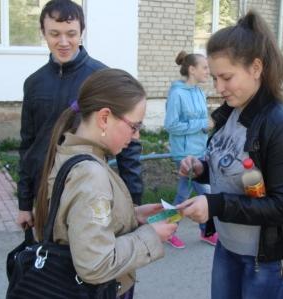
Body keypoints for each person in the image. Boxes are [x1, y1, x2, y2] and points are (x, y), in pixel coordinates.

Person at [177, 11, 283, 299]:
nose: (218, 88)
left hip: (268, 259)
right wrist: (201, 168)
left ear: (256, 68)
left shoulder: (281, 124)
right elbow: (233, 168)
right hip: (229, 247)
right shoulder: (229, 114)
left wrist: (216, 204)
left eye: (226, 77)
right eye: (214, 78)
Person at [34, 68, 178, 298]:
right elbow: (96, 263)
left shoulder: (72, 151)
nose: (137, 136)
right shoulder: (90, 173)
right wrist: (152, 235)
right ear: (104, 118)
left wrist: (133, 214)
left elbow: (78, 219)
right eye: (134, 126)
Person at [17, 0, 143, 230]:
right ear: (43, 33)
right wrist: (24, 202)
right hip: (43, 193)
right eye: (54, 34)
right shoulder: (34, 83)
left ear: (82, 32)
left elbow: (130, 146)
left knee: (87, 257)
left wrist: (133, 200)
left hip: (86, 190)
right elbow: (28, 144)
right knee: (46, 261)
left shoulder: (101, 77)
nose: (63, 42)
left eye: (71, 34)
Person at [163, 50, 217, 249]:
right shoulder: (177, 93)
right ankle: (203, 231)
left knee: (185, 193)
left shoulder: (199, 92)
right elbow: (171, 125)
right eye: (204, 67)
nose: (208, 71)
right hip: (184, 154)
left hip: (200, 151)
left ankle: (173, 229)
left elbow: (204, 122)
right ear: (192, 69)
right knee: (200, 193)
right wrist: (202, 123)